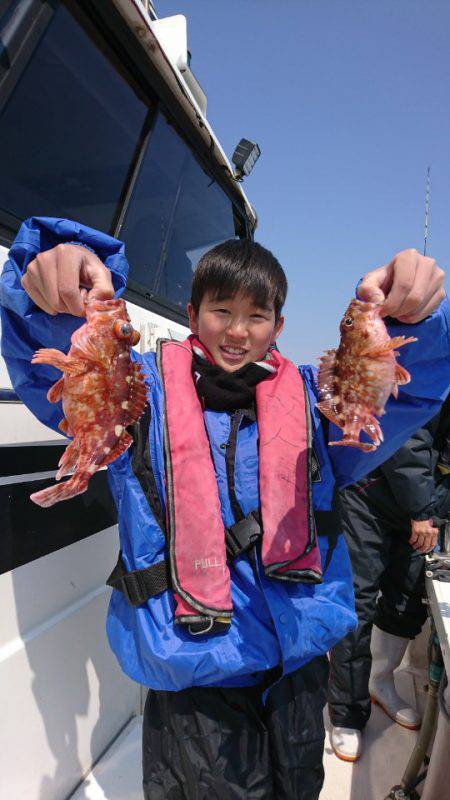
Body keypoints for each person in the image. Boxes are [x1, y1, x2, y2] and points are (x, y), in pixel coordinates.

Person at [0, 216, 449, 800]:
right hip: (195, 683)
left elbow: (409, 392)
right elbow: (53, 363)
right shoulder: (136, 398)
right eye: (221, 310)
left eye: (257, 316)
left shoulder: (321, 407)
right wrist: (59, 289)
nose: (238, 331)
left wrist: (418, 320)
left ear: (278, 326)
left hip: (297, 674)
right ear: (192, 315)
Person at [328, 397, 450, 763]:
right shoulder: (433, 368)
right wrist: (421, 510)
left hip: (426, 499)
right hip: (370, 490)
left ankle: (380, 681)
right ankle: (347, 712)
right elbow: (408, 434)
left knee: (408, 596)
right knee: (358, 600)